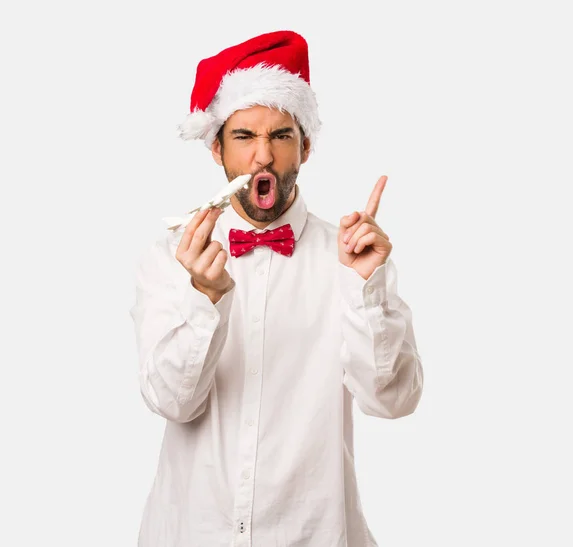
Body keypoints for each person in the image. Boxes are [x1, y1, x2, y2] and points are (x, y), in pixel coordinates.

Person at [129, 30, 423, 547]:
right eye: (244, 136)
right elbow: (172, 402)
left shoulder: (353, 260)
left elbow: (393, 401)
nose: (262, 156)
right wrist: (206, 298)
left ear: (304, 147)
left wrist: (365, 291)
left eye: (281, 136)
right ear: (216, 147)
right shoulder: (171, 257)